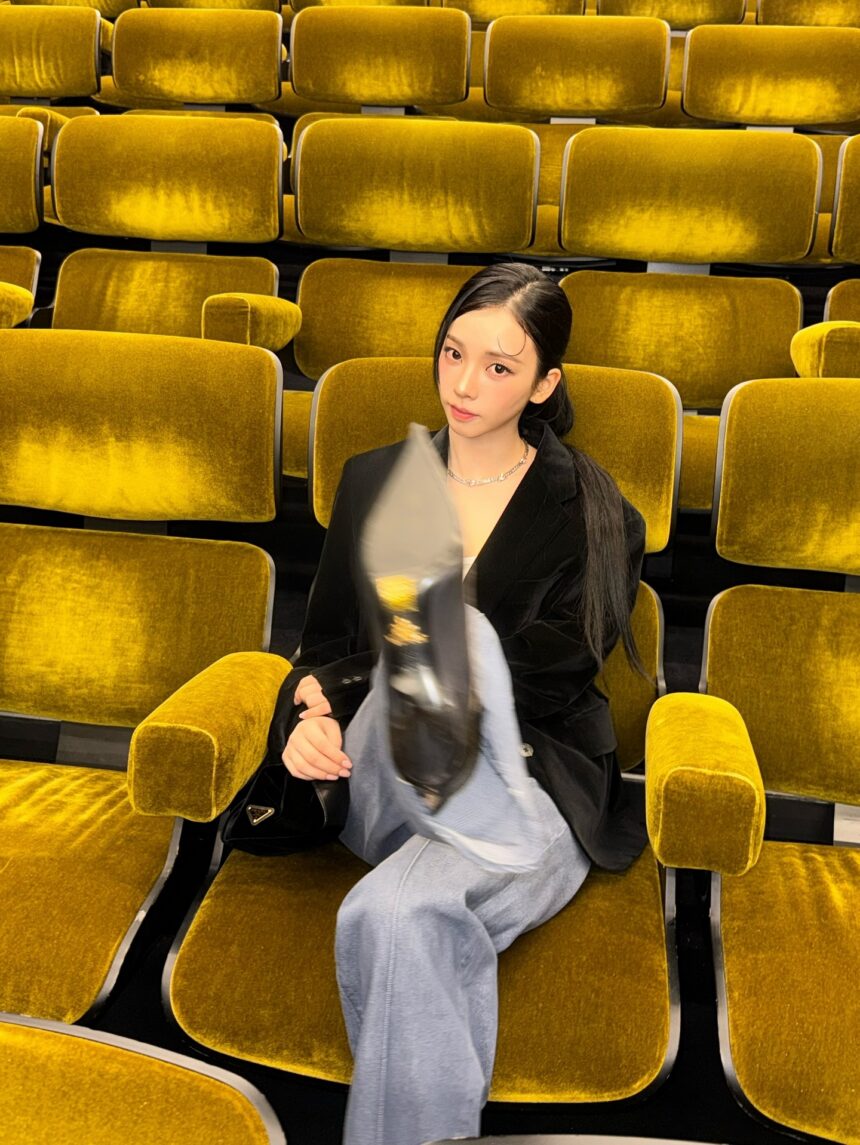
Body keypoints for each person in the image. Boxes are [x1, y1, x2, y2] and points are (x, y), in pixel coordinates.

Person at [267, 262, 648, 1145]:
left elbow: (553, 674)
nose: (465, 384)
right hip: (389, 780)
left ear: (545, 383)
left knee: (391, 913)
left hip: (530, 782)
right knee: (405, 675)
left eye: (500, 366)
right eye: (453, 353)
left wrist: (380, 673)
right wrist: (309, 716)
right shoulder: (373, 481)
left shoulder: (597, 511)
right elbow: (321, 647)